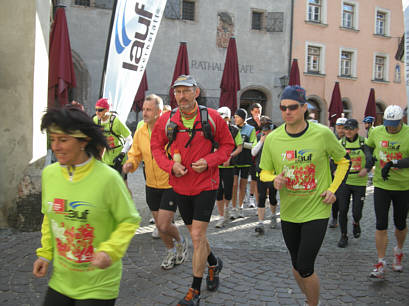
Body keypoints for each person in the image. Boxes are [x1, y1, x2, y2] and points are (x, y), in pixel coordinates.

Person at [33, 106, 141, 305]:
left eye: (63, 140)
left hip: (98, 283)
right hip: (62, 281)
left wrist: (109, 251)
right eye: (53, 139)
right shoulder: (50, 174)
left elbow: (129, 219)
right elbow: (49, 217)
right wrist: (46, 254)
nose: (55, 147)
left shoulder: (108, 178)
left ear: (83, 141)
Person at [259, 85, 350, 306]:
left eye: (292, 107)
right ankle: (309, 298)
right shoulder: (273, 139)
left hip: (316, 209)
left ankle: (312, 303)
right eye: (283, 108)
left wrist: (334, 189)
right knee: (296, 265)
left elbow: (343, 160)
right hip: (290, 212)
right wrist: (274, 179)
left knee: (305, 266)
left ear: (304, 108)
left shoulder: (322, 134)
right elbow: (263, 172)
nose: (287, 112)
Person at [150, 75, 234, 305]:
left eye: (186, 91)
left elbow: (228, 146)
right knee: (198, 237)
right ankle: (214, 263)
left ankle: (194, 291)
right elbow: (156, 147)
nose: (181, 96)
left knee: (197, 236)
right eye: (177, 92)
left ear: (196, 92)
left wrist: (209, 161)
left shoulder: (212, 117)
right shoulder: (167, 119)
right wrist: (170, 166)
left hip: (206, 185)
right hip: (180, 185)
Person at [123, 94, 188, 270]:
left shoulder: (169, 130)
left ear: (159, 112)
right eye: (144, 109)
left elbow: (180, 150)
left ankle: (181, 242)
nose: (144, 112)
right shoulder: (140, 131)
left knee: (163, 224)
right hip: (151, 183)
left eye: (148, 109)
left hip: (170, 183)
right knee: (160, 226)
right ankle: (171, 251)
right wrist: (131, 163)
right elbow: (135, 153)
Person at [366, 105, 409, 279]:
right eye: (388, 124)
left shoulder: (407, 133)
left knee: (400, 224)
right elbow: (367, 146)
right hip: (382, 185)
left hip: (403, 186)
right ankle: (381, 261)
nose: (390, 128)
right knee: (380, 223)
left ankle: (398, 250)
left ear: (401, 121)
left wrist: (394, 164)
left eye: (394, 125)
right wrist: (369, 157)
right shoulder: (377, 132)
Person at [336, 119, 373, 248]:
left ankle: (356, 222)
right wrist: (334, 170)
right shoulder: (341, 143)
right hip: (345, 182)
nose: (348, 131)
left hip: (359, 182)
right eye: (346, 129)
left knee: (357, 211)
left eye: (351, 129)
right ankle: (343, 235)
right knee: (343, 210)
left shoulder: (363, 142)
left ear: (357, 129)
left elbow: (370, 158)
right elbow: (333, 159)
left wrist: (366, 169)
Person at [215, 106, 243, 228]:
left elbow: (239, 147)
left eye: (223, 118)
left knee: (228, 191)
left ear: (228, 118)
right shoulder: (214, 130)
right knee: (218, 192)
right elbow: (212, 147)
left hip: (230, 166)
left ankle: (226, 211)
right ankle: (221, 216)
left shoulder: (235, 130)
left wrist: (230, 156)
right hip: (216, 166)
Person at [93, 98, 133, 179]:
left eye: (100, 110)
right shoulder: (96, 120)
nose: (97, 112)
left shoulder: (117, 121)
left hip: (119, 156)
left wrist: (122, 155)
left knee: (122, 184)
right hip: (106, 157)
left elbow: (129, 139)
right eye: (96, 109)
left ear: (107, 110)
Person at [252, 116, 278, 234]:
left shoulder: (277, 139)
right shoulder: (258, 137)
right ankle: (260, 222)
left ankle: (273, 216)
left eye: (267, 129)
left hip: (273, 173)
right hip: (261, 171)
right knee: (261, 196)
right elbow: (253, 152)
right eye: (264, 129)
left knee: (272, 196)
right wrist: (261, 141)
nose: (265, 131)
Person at [231, 108, 257, 218]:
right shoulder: (232, 128)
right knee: (234, 184)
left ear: (243, 118)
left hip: (246, 160)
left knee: (242, 185)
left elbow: (253, 144)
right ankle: (233, 208)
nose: (235, 119)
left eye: (237, 117)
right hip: (234, 160)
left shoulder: (251, 129)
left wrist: (240, 143)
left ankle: (240, 208)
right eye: (234, 117)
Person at [328, 117, 347, 228]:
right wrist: (333, 170)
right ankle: (334, 217)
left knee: (344, 198)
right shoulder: (332, 139)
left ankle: (343, 216)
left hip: (347, 174)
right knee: (334, 196)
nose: (341, 130)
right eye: (339, 127)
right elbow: (329, 157)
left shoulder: (349, 140)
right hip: (334, 173)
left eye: (343, 128)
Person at [246, 103, 263, 208]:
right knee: (252, 178)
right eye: (256, 111)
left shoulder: (264, 121)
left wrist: (259, 122)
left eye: (259, 111)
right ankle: (250, 197)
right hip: (249, 152)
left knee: (259, 178)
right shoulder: (247, 122)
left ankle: (260, 199)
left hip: (261, 153)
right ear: (251, 111)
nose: (258, 114)